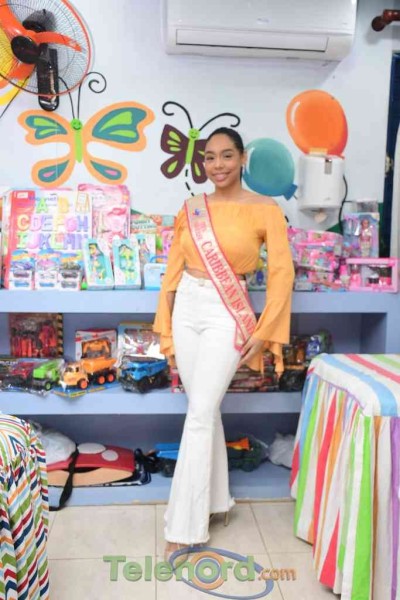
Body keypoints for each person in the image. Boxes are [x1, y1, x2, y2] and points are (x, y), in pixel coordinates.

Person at [153, 127, 295, 564]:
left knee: (198, 415)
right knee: (204, 408)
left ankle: (184, 526)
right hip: (187, 306)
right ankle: (216, 502)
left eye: (227, 155)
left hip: (226, 312)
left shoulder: (265, 209)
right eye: (210, 157)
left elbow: (282, 274)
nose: (218, 165)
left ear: (242, 158)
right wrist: (166, 323)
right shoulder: (191, 208)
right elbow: (173, 269)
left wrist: (264, 331)